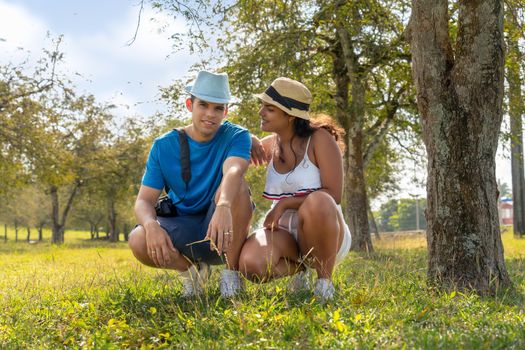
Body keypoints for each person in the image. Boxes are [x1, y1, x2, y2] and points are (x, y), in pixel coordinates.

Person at [128, 70, 253, 298]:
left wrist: (223, 206)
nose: (210, 114)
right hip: (183, 230)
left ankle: (231, 276)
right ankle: (193, 273)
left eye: (218, 108)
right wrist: (151, 226)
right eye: (203, 105)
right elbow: (144, 201)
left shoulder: (237, 136)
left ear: (226, 111)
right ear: (189, 105)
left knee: (239, 187)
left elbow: (234, 170)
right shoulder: (163, 146)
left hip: (224, 232)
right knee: (137, 238)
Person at [238, 77, 352, 301]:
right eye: (262, 106)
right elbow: (232, 160)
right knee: (250, 264)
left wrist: (284, 204)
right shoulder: (271, 144)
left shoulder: (320, 140)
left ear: (290, 116)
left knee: (319, 200)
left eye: (269, 109)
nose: (261, 112)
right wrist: (246, 138)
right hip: (285, 234)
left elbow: (334, 194)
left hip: (323, 231)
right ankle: (299, 271)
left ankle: (324, 282)